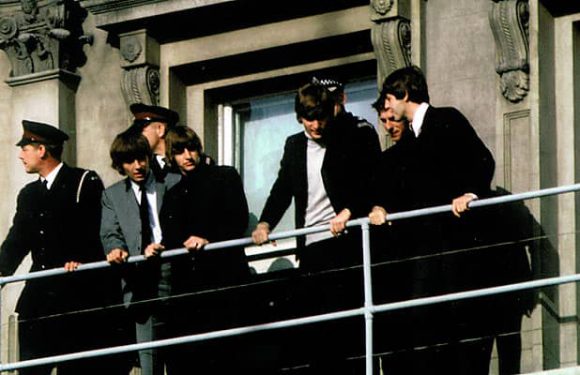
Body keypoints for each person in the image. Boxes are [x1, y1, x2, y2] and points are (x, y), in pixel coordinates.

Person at [368, 65, 496, 374]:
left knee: (456, 311)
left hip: (455, 238)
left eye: (389, 99)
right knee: (424, 313)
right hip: (427, 242)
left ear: (404, 95)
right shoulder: (412, 138)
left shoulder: (445, 119)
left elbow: (482, 158)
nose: (387, 107)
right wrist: (382, 207)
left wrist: (471, 193)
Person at [252, 80, 381, 373]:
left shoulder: (347, 138)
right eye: (309, 118)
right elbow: (283, 188)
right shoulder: (294, 145)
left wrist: (349, 211)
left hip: (342, 242)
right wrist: (265, 223)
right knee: (315, 331)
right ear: (300, 117)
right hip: (310, 247)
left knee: (345, 329)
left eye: (321, 117)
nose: (316, 124)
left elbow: (368, 182)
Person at [0, 120, 127, 375]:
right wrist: (1, 272)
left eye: (25, 148)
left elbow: (96, 230)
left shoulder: (82, 181)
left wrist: (80, 258)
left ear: (42, 150)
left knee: (76, 368)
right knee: (32, 367)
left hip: (75, 294)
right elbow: (18, 239)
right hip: (38, 299)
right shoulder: (29, 194)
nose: (20, 155)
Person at [159, 125, 250, 374]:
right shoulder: (173, 194)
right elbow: (171, 234)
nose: (187, 155)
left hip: (225, 279)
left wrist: (207, 238)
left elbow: (238, 219)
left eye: (191, 149)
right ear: (171, 156)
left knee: (228, 355)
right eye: (179, 151)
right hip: (190, 288)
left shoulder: (224, 176)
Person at [101, 131, 181, 375]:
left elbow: (183, 223)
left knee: (183, 356)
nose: (138, 166)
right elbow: (110, 232)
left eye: (142, 159)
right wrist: (116, 249)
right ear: (120, 165)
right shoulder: (112, 195)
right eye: (129, 161)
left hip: (175, 274)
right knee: (149, 363)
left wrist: (164, 245)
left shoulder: (171, 183)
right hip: (140, 281)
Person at [129, 103, 180, 181]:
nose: (136, 134)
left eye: (141, 128)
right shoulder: (141, 166)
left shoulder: (186, 160)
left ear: (160, 129)